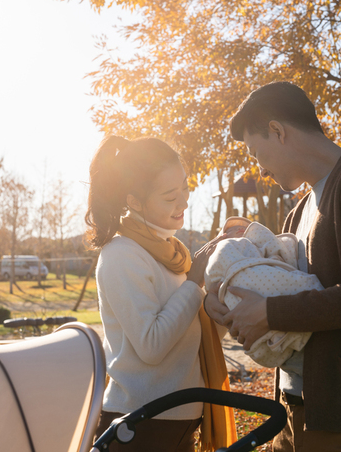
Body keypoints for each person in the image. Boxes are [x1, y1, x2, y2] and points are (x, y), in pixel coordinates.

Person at [204, 82, 341, 451]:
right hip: (296, 408)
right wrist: (226, 303)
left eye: (258, 153)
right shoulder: (298, 212)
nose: (261, 168)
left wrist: (269, 312)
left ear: (278, 130)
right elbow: (285, 292)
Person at [86, 135, 236, 452]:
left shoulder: (171, 252)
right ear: (135, 201)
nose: (183, 202)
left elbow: (187, 335)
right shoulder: (122, 255)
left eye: (184, 186)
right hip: (141, 425)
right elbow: (152, 345)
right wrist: (195, 281)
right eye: (170, 197)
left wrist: (223, 299)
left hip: (178, 420)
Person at [205, 216, 324, 368]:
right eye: (230, 230)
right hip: (292, 376)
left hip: (322, 363)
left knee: (273, 283)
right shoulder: (228, 247)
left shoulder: (257, 243)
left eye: (244, 228)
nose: (239, 230)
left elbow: (279, 256)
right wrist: (209, 298)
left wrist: (269, 311)